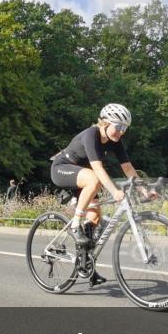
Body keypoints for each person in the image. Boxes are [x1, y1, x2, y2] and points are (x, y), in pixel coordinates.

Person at [50, 103, 152, 287]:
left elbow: (128, 168)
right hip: (62, 169)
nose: (121, 132)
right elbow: (97, 168)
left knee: (95, 216)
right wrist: (114, 191)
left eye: (125, 128)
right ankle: (75, 225)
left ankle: (86, 265)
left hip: (83, 178)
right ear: (105, 123)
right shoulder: (91, 134)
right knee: (95, 179)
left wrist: (144, 189)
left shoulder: (115, 141)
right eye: (119, 126)